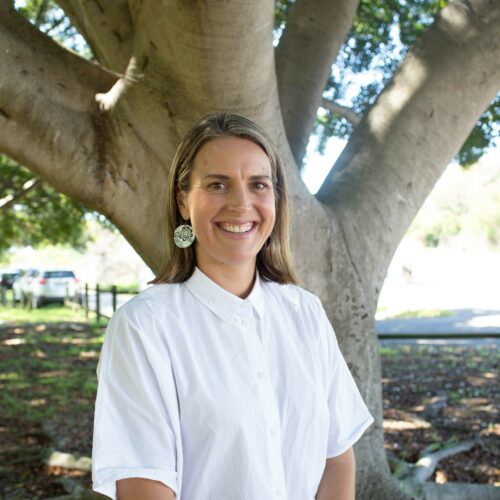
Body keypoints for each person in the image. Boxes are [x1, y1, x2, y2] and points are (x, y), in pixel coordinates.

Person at [91, 113, 374, 500]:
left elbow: (336, 457)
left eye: (258, 184)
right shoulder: (144, 327)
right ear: (183, 201)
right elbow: (144, 487)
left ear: (275, 198)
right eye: (217, 185)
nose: (241, 204)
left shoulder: (304, 312)